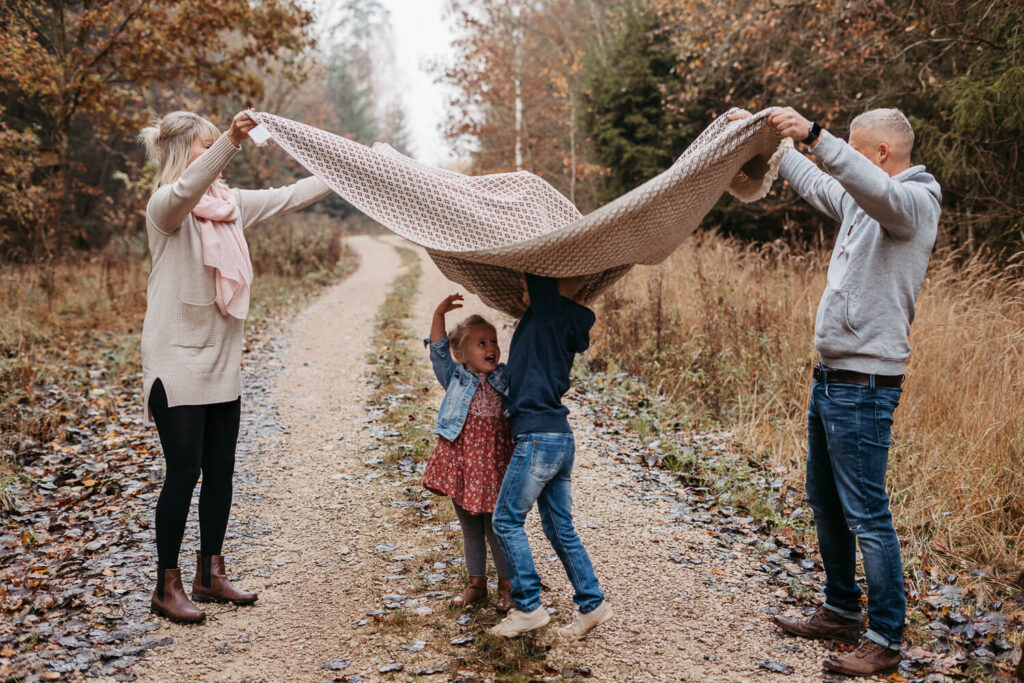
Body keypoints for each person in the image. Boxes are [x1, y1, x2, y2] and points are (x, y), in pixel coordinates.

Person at [730, 106, 941, 676]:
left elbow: (865, 186)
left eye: (853, 146)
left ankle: (885, 638)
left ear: (879, 155)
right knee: (824, 501)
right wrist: (775, 149)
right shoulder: (862, 200)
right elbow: (825, 182)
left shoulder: (914, 205)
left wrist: (818, 136)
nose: (841, 152)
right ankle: (842, 609)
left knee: (867, 514)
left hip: (866, 388)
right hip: (831, 381)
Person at [138, 110, 333, 623]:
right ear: (185, 154)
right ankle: (167, 584)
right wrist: (230, 138)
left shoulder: (230, 205)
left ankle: (210, 573)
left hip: (223, 358)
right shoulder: (165, 208)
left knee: (220, 469)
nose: (218, 159)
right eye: (207, 148)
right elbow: (186, 190)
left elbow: (293, 194)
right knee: (184, 471)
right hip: (176, 360)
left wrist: (351, 168)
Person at [489, 274, 612, 640]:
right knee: (560, 528)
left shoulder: (549, 310)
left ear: (553, 288)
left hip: (538, 438)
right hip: (560, 437)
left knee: (506, 520)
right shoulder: (558, 319)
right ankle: (592, 603)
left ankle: (528, 606)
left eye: (531, 286)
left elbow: (539, 261)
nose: (522, 291)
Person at [422, 294, 514, 612]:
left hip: (495, 466)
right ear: (461, 353)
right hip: (462, 465)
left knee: (497, 528)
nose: (491, 348)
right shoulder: (455, 377)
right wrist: (438, 313)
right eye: (481, 343)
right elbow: (437, 350)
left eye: (493, 342)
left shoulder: (504, 377)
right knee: (470, 528)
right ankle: (476, 583)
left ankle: (507, 586)